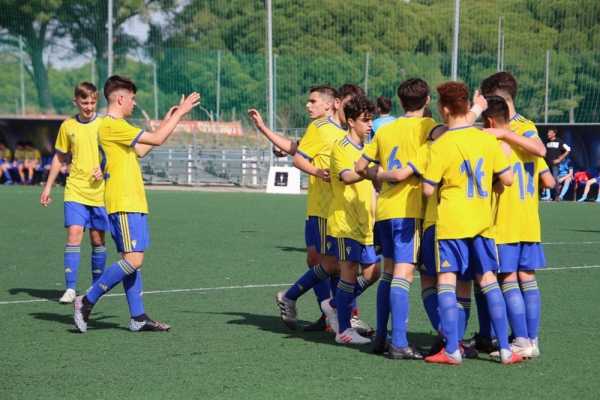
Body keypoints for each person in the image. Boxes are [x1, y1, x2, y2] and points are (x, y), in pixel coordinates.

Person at [73, 75, 200, 333]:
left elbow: (142, 149)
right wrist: (181, 113)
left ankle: (138, 317)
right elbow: (156, 140)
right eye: (132, 98)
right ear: (121, 98)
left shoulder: (118, 126)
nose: (134, 102)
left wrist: (167, 120)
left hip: (134, 202)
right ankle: (85, 301)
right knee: (134, 259)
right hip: (123, 201)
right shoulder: (111, 125)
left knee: (132, 258)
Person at [422, 81, 521, 365]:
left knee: (447, 282)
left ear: (443, 108)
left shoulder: (441, 145)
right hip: (482, 223)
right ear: (466, 105)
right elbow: (509, 179)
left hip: (452, 223)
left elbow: (428, 190)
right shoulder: (486, 140)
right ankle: (504, 350)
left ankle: (452, 350)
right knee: (488, 282)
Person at [354, 78, 448, 359]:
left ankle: (382, 338)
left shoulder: (386, 129)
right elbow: (451, 134)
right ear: (428, 101)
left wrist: (379, 176)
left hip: (383, 210)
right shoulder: (427, 126)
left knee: (389, 273)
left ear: (400, 101)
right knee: (404, 276)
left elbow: (360, 167)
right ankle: (399, 344)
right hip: (408, 212)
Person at [482, 96, 554, 359]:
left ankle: (521, 340)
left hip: (505, 221)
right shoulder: (529, 142)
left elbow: (498, 183)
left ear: (489, 121)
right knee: (528, 278)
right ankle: (532, 340)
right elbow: (548, 180)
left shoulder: (495, 143)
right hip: (530, 221)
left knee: (508, 279)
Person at [319, 95, 382, 345]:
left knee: (374, 272)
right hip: (345, 222)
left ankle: (335, 304)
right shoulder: (341, 148)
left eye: (371, 120)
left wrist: (375, 216)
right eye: (365, 120)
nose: (370, 125)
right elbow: (347, 176)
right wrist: (370, 172)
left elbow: (372, 188)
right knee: (348, 274)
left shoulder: (368, 148)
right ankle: (343, 330)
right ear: (352, 121)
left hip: (364, 222)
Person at [40, 82, 109, 304]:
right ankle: (70, 289)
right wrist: (49, 186)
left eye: (92, 102)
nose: (88, 107)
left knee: (97, 239)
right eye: (84, 102)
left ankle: (95, 287)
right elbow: (59, 157)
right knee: (73, 235)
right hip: (75, 189)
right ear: (75, 102)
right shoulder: (67, 126)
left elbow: (117, 155)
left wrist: (104, 168)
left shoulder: (105, 124)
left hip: (100, 192)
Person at [541, 128, 570, 201]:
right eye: (548, 132)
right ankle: (549, 196)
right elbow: (543, 150)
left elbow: (568, 149)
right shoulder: (547, 142)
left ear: (554, 134)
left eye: (550, 132)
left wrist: (559, 159)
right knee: (547, 180)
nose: (548, 133)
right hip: (547, 164)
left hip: (555, 165)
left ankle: (556, 196)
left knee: (554, 179)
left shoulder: (559, 141)